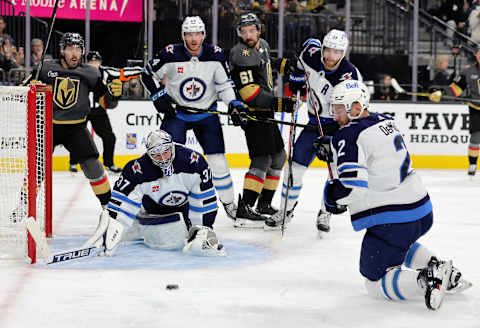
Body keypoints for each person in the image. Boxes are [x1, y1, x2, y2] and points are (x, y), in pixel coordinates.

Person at [313, 79, 471, 310]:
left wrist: (329, 198)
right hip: (421, 210)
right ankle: (445, 271)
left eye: (338, 109)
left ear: (356, 107)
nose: (334, 116)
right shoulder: (383, 120)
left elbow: (351, 188)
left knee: (373, 281)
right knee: (396, 245)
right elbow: (369, 147)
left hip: (396, 220)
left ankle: (427, 279)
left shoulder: (347, 136)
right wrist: (336, 146)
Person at [141, 16, 246, 222]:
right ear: (183, 36)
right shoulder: (170, 53)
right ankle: (159, 201)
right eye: (189, 34)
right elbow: (147, 74)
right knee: (165, 160)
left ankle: (229, 203)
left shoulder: (215, 54)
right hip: (177, 114)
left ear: (203, 35)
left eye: (197, 34)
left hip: (207, 114)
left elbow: (224, 85)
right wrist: (157, 96)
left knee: (218, 162)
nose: (193, 39)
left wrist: (233, 103)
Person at [265, 30, 362, 233]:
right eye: (327, 50)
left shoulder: (350, 75)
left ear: (343, 53)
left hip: (338, 127)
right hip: (312, 123)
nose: (330, 56)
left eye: (337, 52)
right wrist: (296, 77)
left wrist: (342, 133)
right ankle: (285, 210)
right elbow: (299, 66)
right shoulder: (310, 55)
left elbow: (355, 109)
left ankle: (326, 210)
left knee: (335, 173)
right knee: (294, 168)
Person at [83, 129, 226, 257]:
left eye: (166, 151)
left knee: (178, 242)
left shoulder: (194, 162)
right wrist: (110, 232)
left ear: (172, 147)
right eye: (156, 155)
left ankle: (145, 229)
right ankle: (138, 226)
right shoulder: (137, 170)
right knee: (169, 242)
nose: (163, 159)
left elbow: (205, 200)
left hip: (184, 212)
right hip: (151, 211)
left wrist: (203, 228)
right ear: (149, 154)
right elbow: (120, 205)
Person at [22, 32, 122, 209]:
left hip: (76, 129)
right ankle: (23, 206)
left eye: (78, 49)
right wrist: (31, 90)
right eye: (70, 49)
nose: (74, 53)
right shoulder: (44, 69)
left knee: (94, 167)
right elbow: (21, 92)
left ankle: (109, 207)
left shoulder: (91, 73)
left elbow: (105, 103)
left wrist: (114, 95)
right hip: (47, 128)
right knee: (36, 170)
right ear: (62, 51)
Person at [229, 12, 299, 228]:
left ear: (259, 30)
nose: (248, 35)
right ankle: (246, 207)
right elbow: (249, 92)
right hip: (251, 112)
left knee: (278, 157)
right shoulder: (240, 54)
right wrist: (280, 104)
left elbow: (268, 63)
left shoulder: (263, 45)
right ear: (239, 33)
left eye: (252, 30)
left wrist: (286, 65)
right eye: (244, 31)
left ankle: (264, 205)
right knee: (262, 159)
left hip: (265, 112)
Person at [69, 50, 126, 174]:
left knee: (109, 137)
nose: (94, 64)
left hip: (98, 110)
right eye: (91, 61)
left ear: (100, 62)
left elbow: (114, 86)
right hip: (81, 109)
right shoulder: (80, 71)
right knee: (75, 135)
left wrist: (114, 95)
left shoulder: (104, 73)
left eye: (96, 61)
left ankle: (109, 163)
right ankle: (73, 162)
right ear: (86, 62)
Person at [429, 46, 480, 175]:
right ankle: (473, 164)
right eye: (479, 53)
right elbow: (456, 89)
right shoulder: (468, 71)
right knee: (475, 137)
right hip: (475, 108)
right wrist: (440, 94)